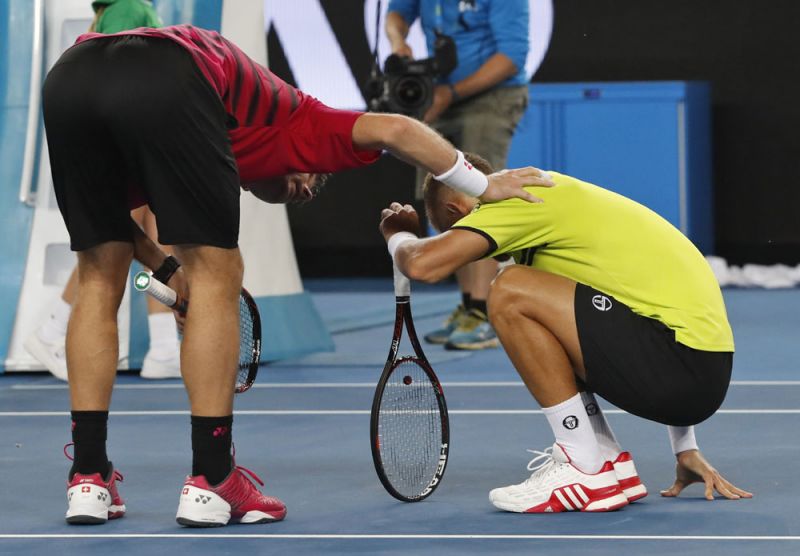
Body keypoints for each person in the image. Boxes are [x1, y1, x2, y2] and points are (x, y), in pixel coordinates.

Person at [42, 25, 551, 526]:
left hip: (70, 79)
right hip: (168, 70)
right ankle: (214, 480)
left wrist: (168, 269)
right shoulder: (299, 125)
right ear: (305, 163)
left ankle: (88, 477)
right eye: (313, 182)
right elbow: (397, 129)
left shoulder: (204, 144)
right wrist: (482, 185)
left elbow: (114, 225)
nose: (307, 191)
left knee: (98, 272)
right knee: (219, 270)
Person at [379, 153, 752, 513]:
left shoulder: (512, 202)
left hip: (678, 368)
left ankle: (583, 466)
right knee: (541, 307)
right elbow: (656, 305)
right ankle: (608, 458)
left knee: (509, 290)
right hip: (696, 374)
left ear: (456, 213)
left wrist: (398, 235)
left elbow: (423, 265)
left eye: (459, 238)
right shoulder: (556, 206)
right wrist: (684, 446)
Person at [24, 0, 181, 381]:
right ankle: (52, 330)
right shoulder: (127, 9)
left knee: (142, 229)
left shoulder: (123, 8)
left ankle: (163, 347)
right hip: (123, 135)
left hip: (119, 134)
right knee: (112, 241)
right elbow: (119, 81)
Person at [386, 0, 530, 350]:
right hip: (437, 96)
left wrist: (450, 93)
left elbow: (512, 55)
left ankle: (485, 311)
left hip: (490, 97)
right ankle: (469, 305)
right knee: (447, 201)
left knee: (480, 198)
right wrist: (397, 42)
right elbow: (396, 14)